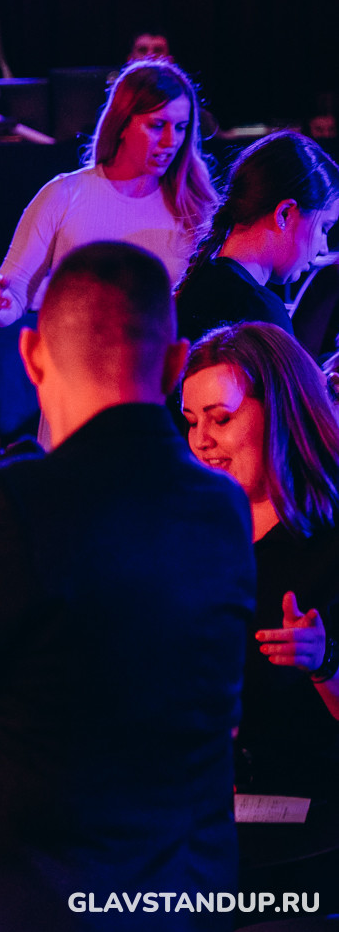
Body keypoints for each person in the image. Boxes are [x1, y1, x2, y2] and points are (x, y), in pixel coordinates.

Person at [0, 241, 255, 931]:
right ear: (174, 363)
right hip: (183, 894)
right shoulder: (222, 508)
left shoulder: (14, 504)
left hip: (37, 902)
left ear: (33, 355)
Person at [0, 59, 217, 443]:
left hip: (159, 403)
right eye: (157, 125)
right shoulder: (64, 195)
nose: (171, 141)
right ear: (122, 123)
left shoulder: (195, 209)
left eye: (182, 127)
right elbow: (13, 298)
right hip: (75, 393)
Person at [180, 323, 339, 805]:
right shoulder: (187, 533)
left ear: (280, 414)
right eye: (191, 421)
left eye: (221, 418)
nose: (201, 440)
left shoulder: (327, 543)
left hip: (307, 813)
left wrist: (323, 662)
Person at [176, 130, 339, 344]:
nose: (324, 248)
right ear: (285, 214)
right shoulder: (259, 311)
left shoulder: (197, 286)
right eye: (324, 228)